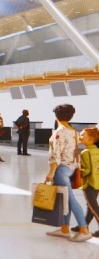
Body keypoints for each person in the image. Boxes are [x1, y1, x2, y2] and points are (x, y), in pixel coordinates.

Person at [44, 104, 91, 242]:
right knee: (66, 199)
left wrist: (51, 173)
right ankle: (65, 229)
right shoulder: (73, 131)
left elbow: (56, 155)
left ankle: (84, 230)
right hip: (71, 168)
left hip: (61, 170)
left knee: (70, 199)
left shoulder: (59, 132)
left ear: (56, 116)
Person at [75, 126, 99, 238]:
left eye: (82, 135)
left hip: (89, 183)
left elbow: (87, 170)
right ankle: (83, 225)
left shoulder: (85, 152)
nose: (80, 136)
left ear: (90, 138)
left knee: (93, 207)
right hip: (97, 181)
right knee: (91, 206)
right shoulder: (97, 151)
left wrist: (77, 170)